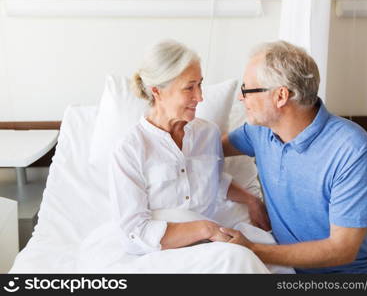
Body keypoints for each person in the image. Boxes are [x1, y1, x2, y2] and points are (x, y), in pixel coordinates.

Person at [220, 40, 367, 274]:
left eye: (247, 90)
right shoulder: (260, 131)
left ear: (280, 96)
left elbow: (342, 249)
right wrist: (248, 198)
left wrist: (251, 249)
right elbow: (208, 150)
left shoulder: (352, 151)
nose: (240, 98)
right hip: (287, 271)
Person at [109, 39, 270, 256]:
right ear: (157, 91)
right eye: (189, 88)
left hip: (210, 244)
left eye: (200, 85)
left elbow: (210, 180)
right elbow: (133, 234)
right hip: (159, 252)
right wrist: (205, 229)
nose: (200, 97)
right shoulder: (129, 150)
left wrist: (252, 200)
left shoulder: (208, 134)